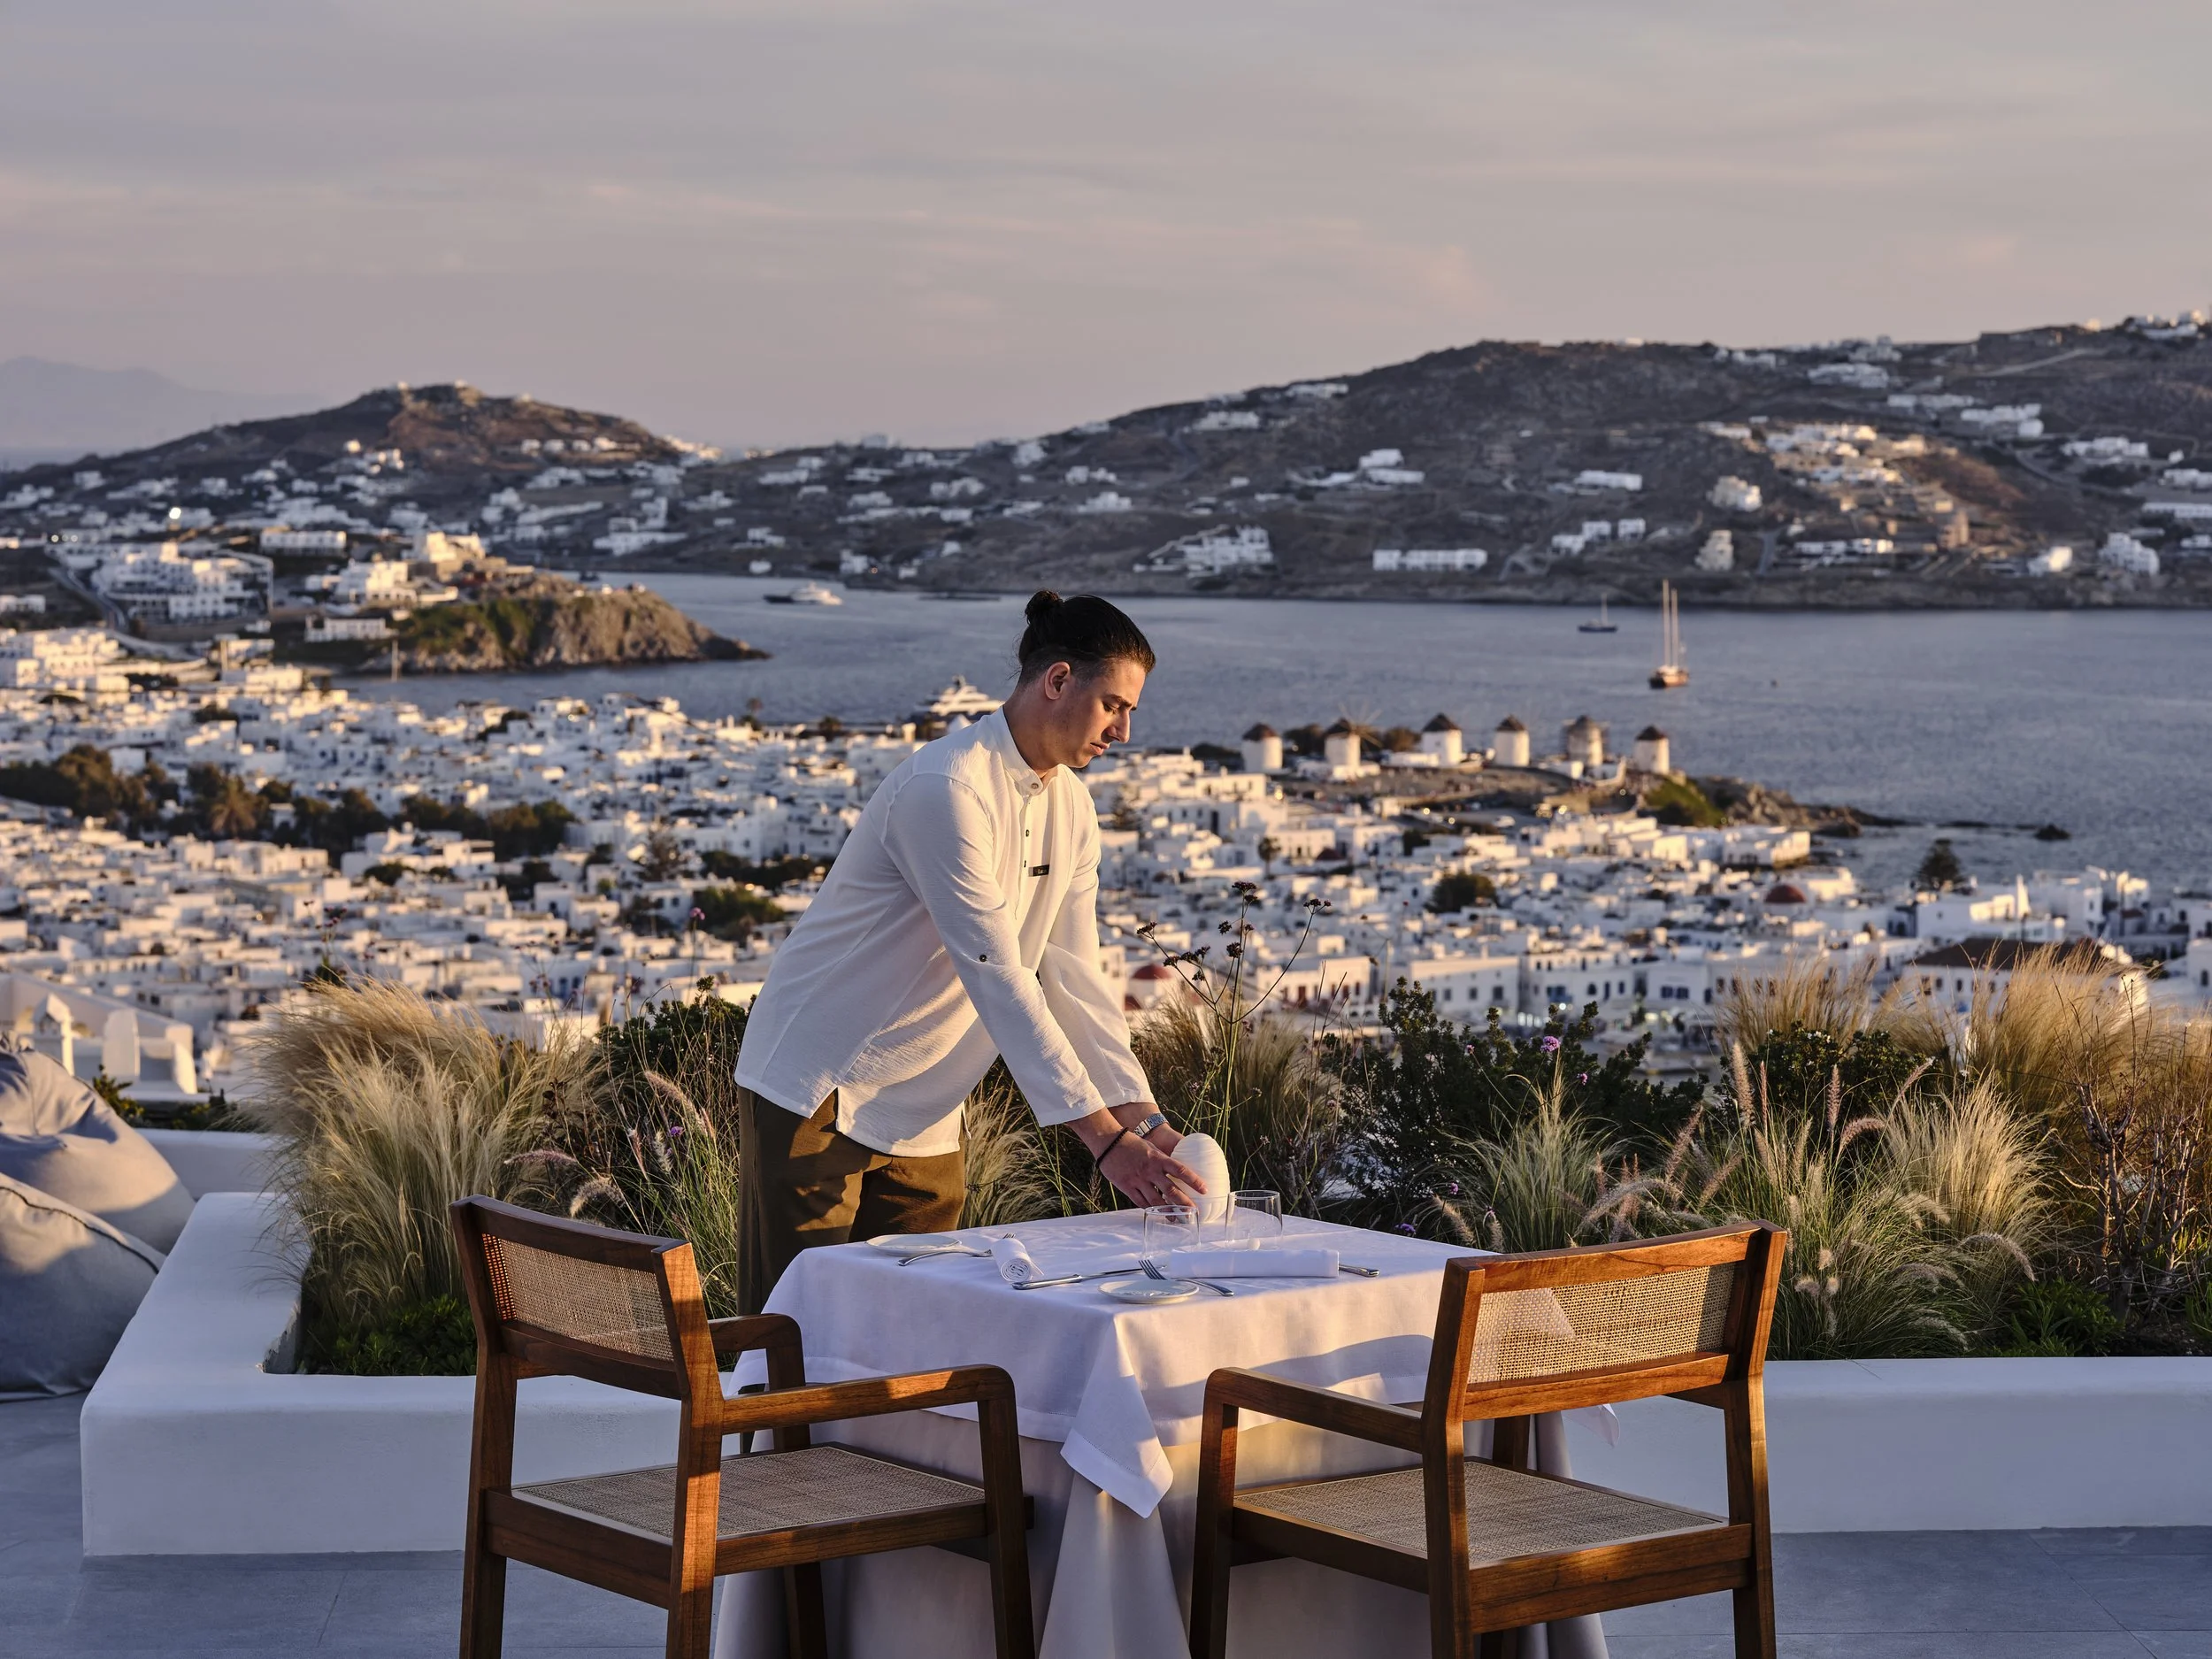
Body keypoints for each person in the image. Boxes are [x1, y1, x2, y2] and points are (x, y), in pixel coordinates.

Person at [733, 590, 1199, 1313]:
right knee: (798, 1331)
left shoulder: (1071, 807)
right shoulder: (946, 788)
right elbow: (1000, 977)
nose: (1125, 731)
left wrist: (1145, 1120)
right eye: (1114, 704)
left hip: (927, 1106)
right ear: (1057, 680)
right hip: (821, 1084)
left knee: (918, 1327)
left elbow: (1073, 979)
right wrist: (1104, 1142)